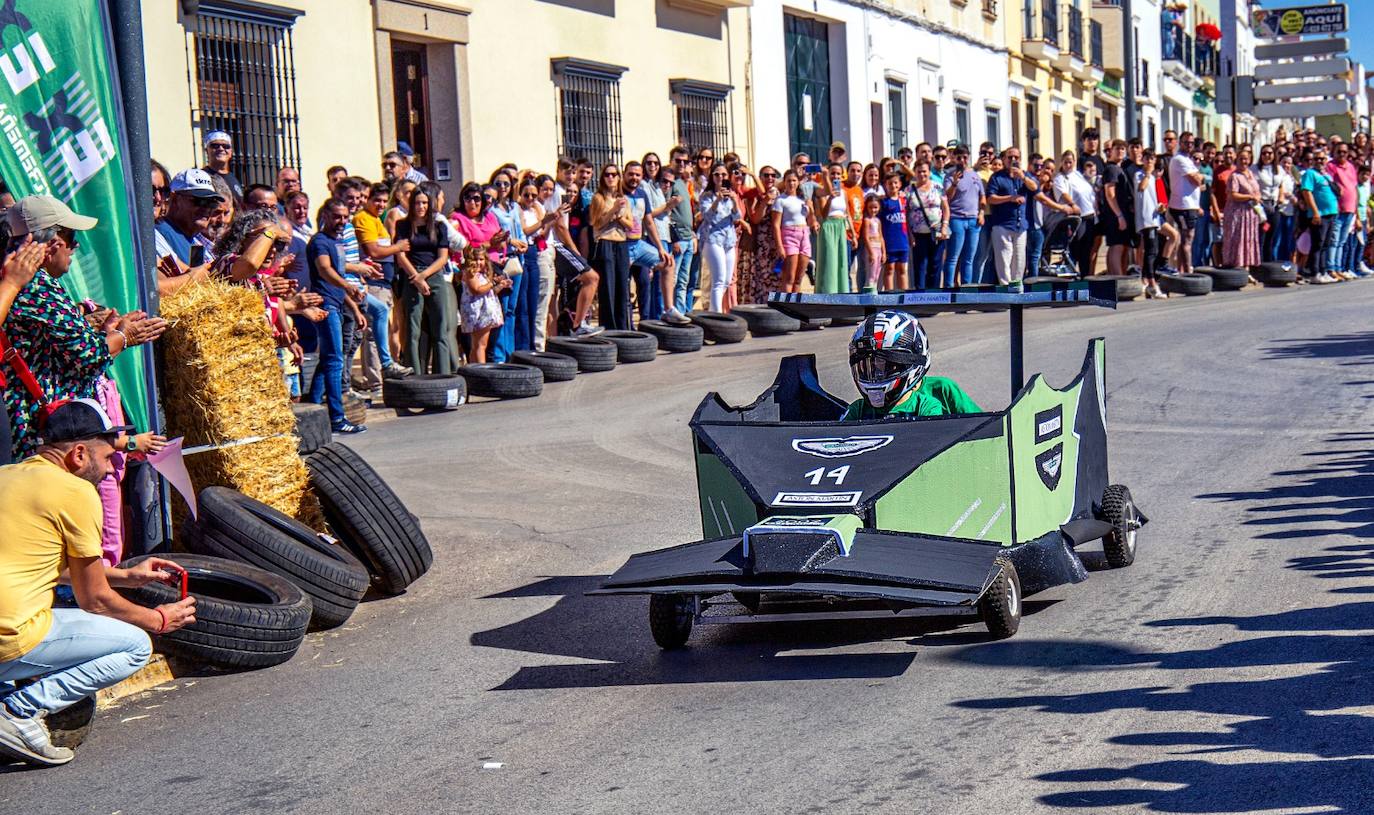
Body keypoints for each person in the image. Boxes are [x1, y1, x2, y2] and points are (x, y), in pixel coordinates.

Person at [0, 400, 196, 767]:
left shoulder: (7, 474)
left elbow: (37, 565)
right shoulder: (74, 492)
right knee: (136, 645)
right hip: (7, 636)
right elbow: (94, 600)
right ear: (78, 454)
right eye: (108, 457)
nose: (111, 468)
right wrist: (159, 620)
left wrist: (126, 575)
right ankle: (16, 713)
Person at [2, 198, 166, 461]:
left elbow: (73, 354)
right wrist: (124, 337)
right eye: (71, 237)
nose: (75, 246)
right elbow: (88, 354)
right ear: (54, 243)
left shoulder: (25, 280)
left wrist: (109, 334)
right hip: (41, 427)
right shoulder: (36, 285)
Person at [841, 310, 981, 420]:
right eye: (867, 366)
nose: (876, 375)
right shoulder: (858, 410)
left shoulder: (932, 401)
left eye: (885, 366)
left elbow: (982, 428)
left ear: (910, 362)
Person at [354, 182, 414, 380]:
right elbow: (373, 250)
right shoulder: (364, 219)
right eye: (376, 200)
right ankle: (375, 380)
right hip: (374, 283)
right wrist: (398, 247)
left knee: (382, 330)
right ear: (367, 200)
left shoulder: (375, 219)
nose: (380, 205)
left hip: (384, 283)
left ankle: (380, 374)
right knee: (371, 333)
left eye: (383, 201)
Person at [398, 186, 455, 372]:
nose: (420, 206)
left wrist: (424, 276)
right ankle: (414, 373)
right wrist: (416, 278)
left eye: (424, 203)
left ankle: (443, 375)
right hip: (411, 276)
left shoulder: (439, 227)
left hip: (434, 275)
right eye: (417, 202)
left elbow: (443, 257)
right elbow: (400, 255)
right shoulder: (403, 226)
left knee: (440, 329)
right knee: (413, 330)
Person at [589, 163, 635, 329]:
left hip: (621, 243)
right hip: (605, 242)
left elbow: (631, 225)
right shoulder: (598, 198)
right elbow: (596, 223)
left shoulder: (624, 200)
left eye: (614, 174)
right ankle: (609, 327)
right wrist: (613, 211)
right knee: (608, 287)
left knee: (622, 287)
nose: (611, 177)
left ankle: (623, 327)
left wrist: (619, 218)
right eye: (607, 174)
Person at [696, 162, 744, 313]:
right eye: (717, 174)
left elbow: (737, 217)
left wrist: (735, 201)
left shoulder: (731, 196)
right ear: (712, 176)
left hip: (729, 240)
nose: (720, 177)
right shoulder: (706, 196)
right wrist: (717, 200)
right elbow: (707, 216)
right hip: (712, 239)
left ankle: (713, 311)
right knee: (718, 280)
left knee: (726, 281)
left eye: (723, 174)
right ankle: (716, 315)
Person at [986, 146, 1038, 287]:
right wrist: (1010, 198)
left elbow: (1034, 188)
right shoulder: (997, 177)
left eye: (1016, 157)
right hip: (1002, 224)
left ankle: (1016, 287)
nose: (1013, 160)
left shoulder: (1024, 175)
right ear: (1004, 159)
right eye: (1010, 157)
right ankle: (1005, 288)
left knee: (1020, 259)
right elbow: (990, 198)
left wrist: (1022, 177)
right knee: (1004, 260)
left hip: (1021, 225)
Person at [154, 168, 224, 266]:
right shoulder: (161, 232)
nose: (207, 208)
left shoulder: (195, 240)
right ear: (175, 199)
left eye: (212, 203)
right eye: (200, 201)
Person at [942, 146, 986, 287]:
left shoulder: (975, 175)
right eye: (959, 157)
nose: (962, 160)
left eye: (965, 157)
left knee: (969, 258)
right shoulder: (949, 176)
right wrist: (954, 183)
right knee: (953, 257)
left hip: (973, 220)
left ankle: (967, 289)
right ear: (954, 158)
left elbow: (982, 197)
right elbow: (946, 198)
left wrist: (981, 213)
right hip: (957, 219)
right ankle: (948, 288)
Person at [1053, 151, 1098, 278]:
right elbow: (1064, 194)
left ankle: (1085, 277)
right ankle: (1070, 280)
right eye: (1066, 161)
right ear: (1061, 162)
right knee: (1075, 250)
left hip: (1089, 215)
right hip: (1076, 219)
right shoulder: (1060, 178)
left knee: (1087, 250)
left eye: (1071, 161)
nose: (1068, 164)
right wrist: (1073, 204)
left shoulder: (1078, 175)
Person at [1300, 147, 1340, 283]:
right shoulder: (1309, 174)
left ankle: (1323, 271)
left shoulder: (1327, 175)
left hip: (1331, 213)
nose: (1319, 161)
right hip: (1319, 214)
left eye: (1322, 159)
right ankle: (1315, 273)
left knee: (1326, 244)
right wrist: (1315, 211)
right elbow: (1306, 192)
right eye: (1316, 159)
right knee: (1318, 244)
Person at [906, 160, 947, 290]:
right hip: (918, 233)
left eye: (924, 171)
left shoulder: (938, 187)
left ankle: (934, 297)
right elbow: (906, 213)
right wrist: (910, 235)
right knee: (920, 266)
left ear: (929, 172)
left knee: (935, 265)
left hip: (936, 232)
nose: (922, 174)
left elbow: (945, 208)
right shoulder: (909, 190)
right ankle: (920, 297)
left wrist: (945, 226)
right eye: (919, 171)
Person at [813, 163, 853, 293]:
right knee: (829, 260)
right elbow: (823, 215)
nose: (835, 176)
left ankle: (841, 292)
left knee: (841, 261)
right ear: (828, 175)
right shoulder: (822, 191)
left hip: (841, 226)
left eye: (838, 174)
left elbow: (847, 214)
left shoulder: (844, 193)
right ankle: (826, 292)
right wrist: (830, 197)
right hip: (828, 226)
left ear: (842, 176)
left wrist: (852, 233)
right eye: (832, 173)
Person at [1167, 140, 1206, 275]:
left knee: (1186, 238)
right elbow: (1196, 181)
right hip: (1183, 206)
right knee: (1187, 238)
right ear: (1180, 143)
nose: (1197, 161)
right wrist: (1200, 177)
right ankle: (1188, 271)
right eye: (1186, 142)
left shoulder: (1189, 162)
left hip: (1191, 206)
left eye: (1200, 159)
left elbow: (1199, 184)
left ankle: (1181, 269)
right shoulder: (1179, 159)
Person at [772, 169, 812, 294]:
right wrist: (779, 246)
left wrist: (810, 207)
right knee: (789, 276)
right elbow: (776, 224)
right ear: (784, 182)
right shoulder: (780, 200)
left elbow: (810, 220)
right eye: (789, 181)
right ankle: (786, 306)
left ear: (798, 182)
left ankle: (796, 306)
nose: (791, 183)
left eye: (794, 180)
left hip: (804, 234)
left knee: (799, 278)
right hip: (789, 234)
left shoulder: (802, 200)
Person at [1222, 146, 1262, 271]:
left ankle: (1247, 266)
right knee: (1238, 239)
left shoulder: (1251, 174)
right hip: (1237, 213)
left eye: (1246, 159)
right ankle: (1236, 265)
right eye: (1241, 159)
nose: (1243, 161)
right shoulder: (1234, 176)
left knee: (1248, 239)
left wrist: (1257, 196)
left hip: (1250, 213)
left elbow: (1257, 190)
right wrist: (1249, 196)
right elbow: (1232, 194)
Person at [1101, 140, 1136, 276]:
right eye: (1117, 149)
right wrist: (1119, 216)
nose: (1120, 151)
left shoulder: (1118, 167)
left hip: (1121, 214)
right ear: (1111, 151)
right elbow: (1110, 194)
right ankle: (1117, 280)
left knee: (1120, 246)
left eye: (1123, 149)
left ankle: (1116, 278)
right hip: (1115, 215)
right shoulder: (1111, 169)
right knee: (1117, 246)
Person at [1326, 142, 1359, 281]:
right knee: (1334, 240)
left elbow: (1354, 188)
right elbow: (1330, 185)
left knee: (1342, 241)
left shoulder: (1350, 167)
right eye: (1339, 152)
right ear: (1334, 152)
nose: (1342, 154)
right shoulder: (1331, 166)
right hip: (1338, 209)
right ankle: (1331, 268)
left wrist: (1356, 211)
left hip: (1350, 209)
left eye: (1344, 152)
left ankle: (1338, 268)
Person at [878, 173, 909, 291]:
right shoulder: (883, 202)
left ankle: (904, 295)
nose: (893, 185)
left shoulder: (903, 200)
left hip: (903, 242)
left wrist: (910, 238)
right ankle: (889, 295)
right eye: (890, 183)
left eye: (895, 183)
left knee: (902, 269)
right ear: (885, 185)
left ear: (900, 184)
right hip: (890, 242)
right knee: (889, 269)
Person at [200, 130, 243, 203]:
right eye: (215, 146)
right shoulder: (202, 177)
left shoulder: (233, 177)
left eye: (226, 146)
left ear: (230, 152)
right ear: (207, 150)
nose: (221, 149)